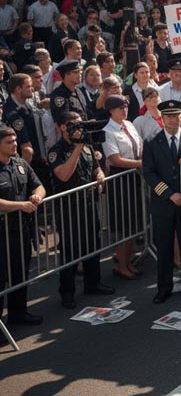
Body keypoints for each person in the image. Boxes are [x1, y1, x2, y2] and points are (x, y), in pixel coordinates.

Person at [49, 111, 115, 308]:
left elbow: (95, 167)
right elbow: (64, 175)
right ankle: (67, 292)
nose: (79, 128)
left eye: (80, 124)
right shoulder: (57, 150)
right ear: (62, 127)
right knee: (70, 250)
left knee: (92, 244)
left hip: (88, 202)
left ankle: (93, 283)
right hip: (69, 206)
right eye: (74, 124)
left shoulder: (86, 145)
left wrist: (100, 174)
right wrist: (77, 148)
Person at [141, 100, 181, 304]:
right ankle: (164, 286)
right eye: (168, 116)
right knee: (164, 247)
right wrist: (168, 194)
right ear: (162, 118)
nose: (172, 120)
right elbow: (149, 174)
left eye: (175, 116)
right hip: (163, 204)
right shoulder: (151, 141)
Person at [0, 127, 45, 326]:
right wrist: (21, 206)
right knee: (1, 279)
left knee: (20, 274)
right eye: (9, 142)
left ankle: (19, 314)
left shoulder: (20, 164)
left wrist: (37, 195)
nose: (15, 144)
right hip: (2, 233)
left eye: (15, 140)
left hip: (21, 230)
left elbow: (39, 185)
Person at [101, 95, 143, 281]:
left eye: (125, 107)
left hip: (133, 177)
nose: (124, 110)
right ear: (111, 110)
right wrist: (140, 164)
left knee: (134, 223)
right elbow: (115, 159)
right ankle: (122, 265)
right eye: (120, 108)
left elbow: (139, 146)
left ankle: (128, 262)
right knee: (123, 225)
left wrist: (139, 161)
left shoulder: (130, 125)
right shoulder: (107, 131)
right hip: (119, 180)